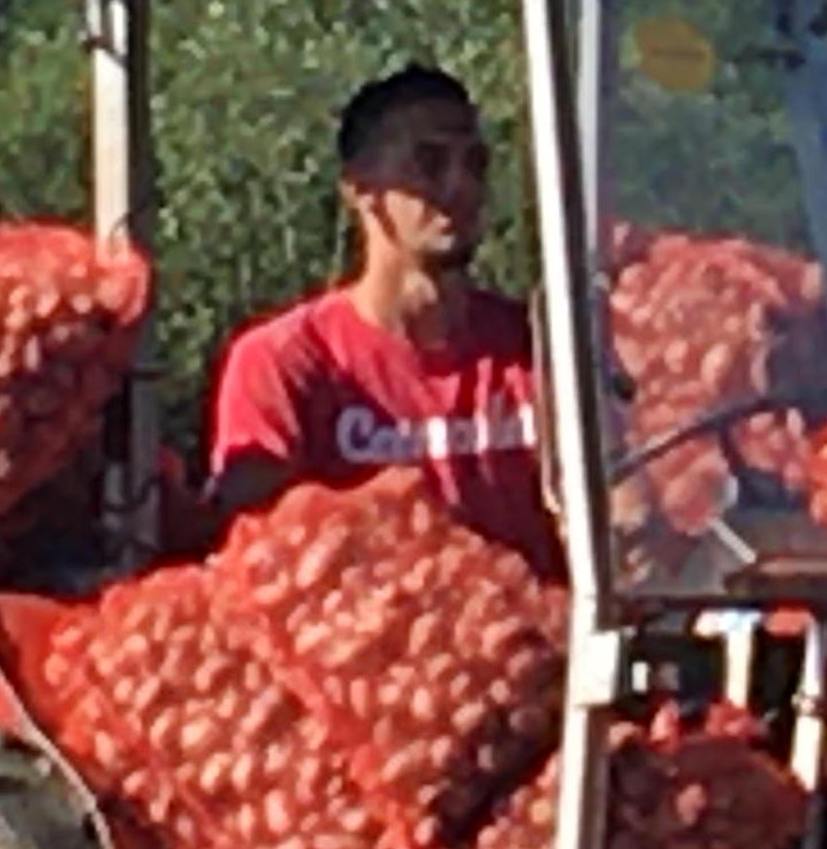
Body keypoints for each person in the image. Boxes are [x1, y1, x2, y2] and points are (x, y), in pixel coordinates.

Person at [205, 66, 564, 580]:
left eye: (475, 164)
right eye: (429, 162)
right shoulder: (285, 361)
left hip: (534, 645)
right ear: (361, 189)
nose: (458, 186)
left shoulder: (539, 349)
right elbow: (258, 557)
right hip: (365, 647)